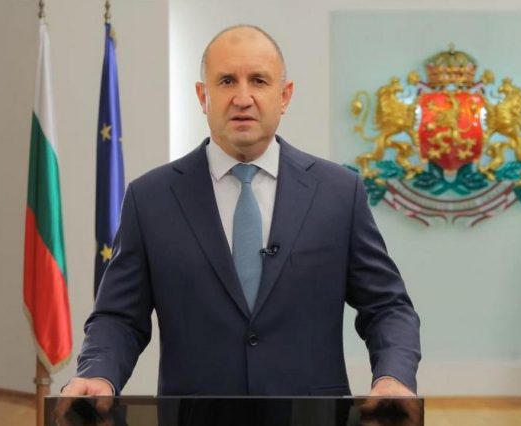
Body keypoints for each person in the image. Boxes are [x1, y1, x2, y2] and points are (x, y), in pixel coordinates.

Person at [61, 24, 420, 398]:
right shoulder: (150, 198)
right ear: (203, 96)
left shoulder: (339, 193)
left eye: (259, 81)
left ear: (285, 96)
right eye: (227, 81)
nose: (243, 98)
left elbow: (387, 307)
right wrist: (98, 374)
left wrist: (392, 377)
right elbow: (118, 317)